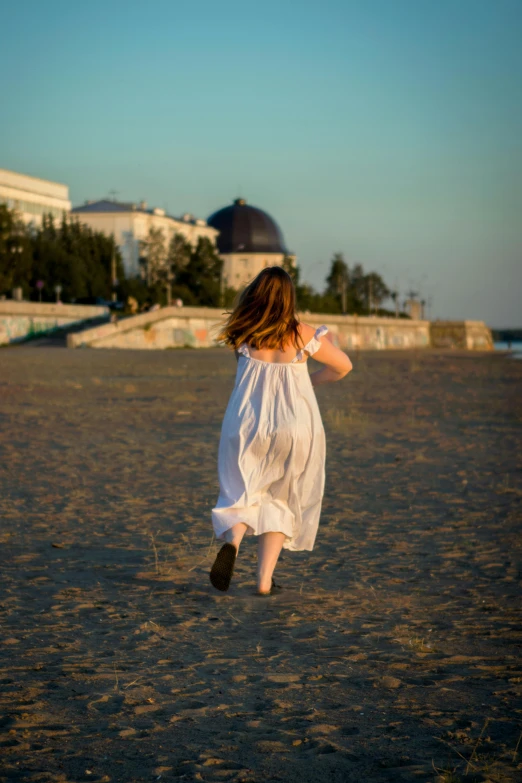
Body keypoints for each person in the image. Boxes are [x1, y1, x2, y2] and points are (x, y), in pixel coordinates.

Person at [210, 266, 353, 596]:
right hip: (294, 427)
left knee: (241, 488)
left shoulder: (243, 334)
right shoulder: (303, 334)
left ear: (254, 294)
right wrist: (308, 380)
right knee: (282, 498)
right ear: (290, 298)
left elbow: (250, 379)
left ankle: (233, 539)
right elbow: (343, 366)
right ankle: (263, 581)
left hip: (246, 424)